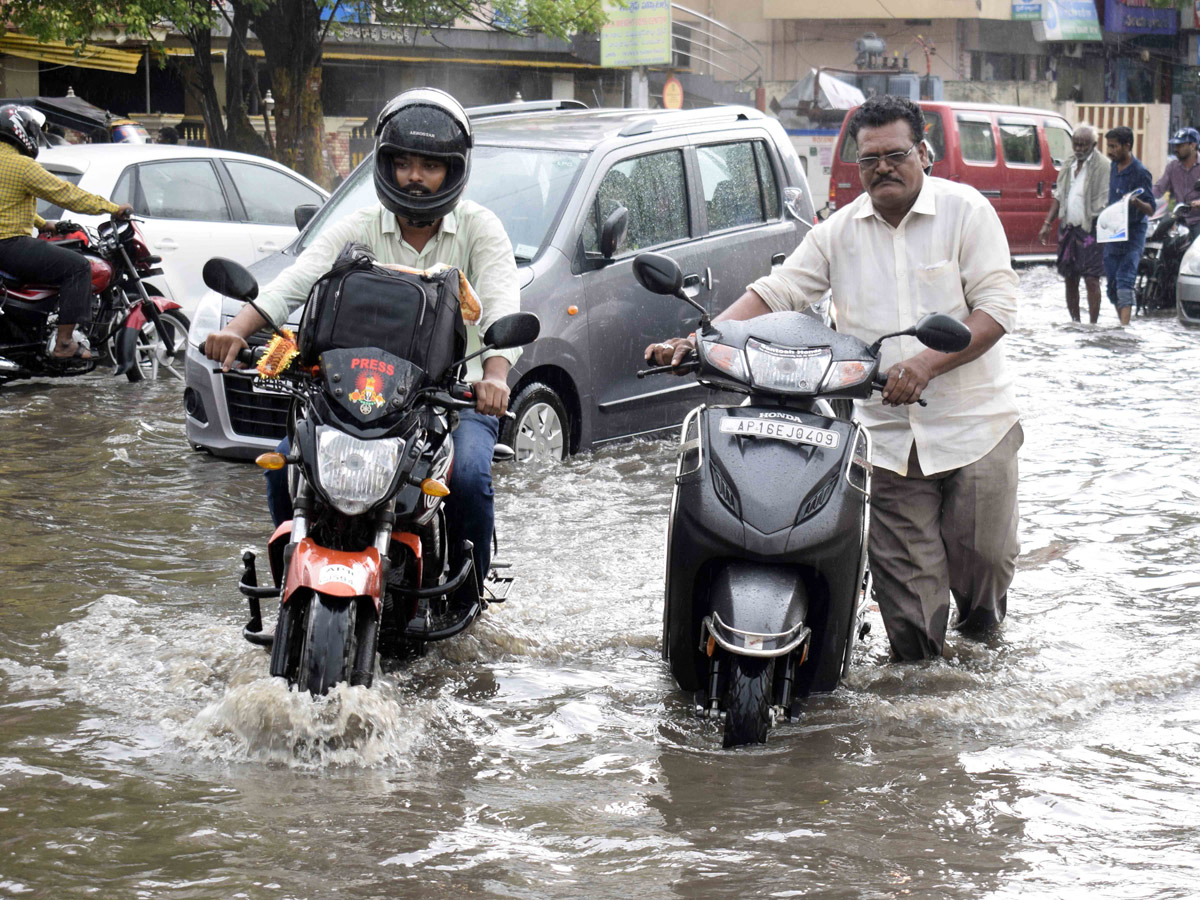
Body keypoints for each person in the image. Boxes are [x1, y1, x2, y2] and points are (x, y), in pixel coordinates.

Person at [645, 95, 1022, 662]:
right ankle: (920, 718)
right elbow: (779, 291)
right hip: (888, 440)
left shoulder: (967, 212)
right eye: (869, 160)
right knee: (912, 624)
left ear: (924, 152)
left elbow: (995, 310)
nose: (883, 168)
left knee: (983, 574)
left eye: (896, 155)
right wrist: (699, 341)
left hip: (976, 429)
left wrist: (923, 363)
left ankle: (985, 662)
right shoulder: (838, 232)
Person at [203, 87, 521, 605]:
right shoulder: (357, 227)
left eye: (430, 166)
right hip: (354, 396)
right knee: (287, 461)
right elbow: (298, 281)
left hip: (448, 397)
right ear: (385, 165)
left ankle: (468, 595)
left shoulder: (481, 230)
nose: (415, 176)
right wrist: (236, 330)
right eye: (403, 163)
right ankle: (293, 566)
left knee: (467, 477)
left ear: (454, 171)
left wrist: (496, 378)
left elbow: (503, 306)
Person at [0, 104, 133, 361]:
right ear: (19, 131)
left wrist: (43, 224)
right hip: (10, 245)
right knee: (78, 267)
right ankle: (64, 343)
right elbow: (66, 194)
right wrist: (112, 208)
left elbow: (7, 202)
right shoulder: (21, 165)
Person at [1038, 125, 1109, 324]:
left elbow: (1105, 199)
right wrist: (1047, 223)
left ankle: (1093, 325)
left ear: (1093, 145)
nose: (1078, 148)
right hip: (1068, 228)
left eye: (1083, 145)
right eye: (1075, 144)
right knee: (1070, 277)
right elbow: (1059, 195)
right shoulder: (1069, 164)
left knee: (1092, 279)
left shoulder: (1103, 166)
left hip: (1090, 230)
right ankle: (1075, 322)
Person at [1102, 126, 1155, 327]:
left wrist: (1136, 202)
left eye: (1114, 147)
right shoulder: (1113, 167)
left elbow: (1150, 208)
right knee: (1113, 286)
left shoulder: (1140, 172)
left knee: (1125, 280)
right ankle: (1122, 325)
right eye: (1109, 146)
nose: (1110, 151)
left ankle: (1124, 329)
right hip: (1113, 233)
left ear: (1127, 146)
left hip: (1133, 234)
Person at [1152, 127, 1200, 241]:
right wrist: (1143, 197)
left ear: (1193, 145)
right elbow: (1159, 188)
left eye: (1180, 145)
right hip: (1180, 220)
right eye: (1175, 145)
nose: (1176, 149)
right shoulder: (1172, 167)